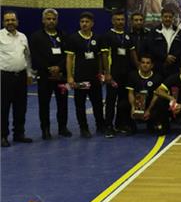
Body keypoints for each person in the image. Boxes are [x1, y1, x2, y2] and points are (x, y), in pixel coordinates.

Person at [30, 9, 70, 140]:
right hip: (44, 76)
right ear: (43, 20)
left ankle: (62, 127)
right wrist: (48, 68)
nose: (51, 21)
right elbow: (35, 56)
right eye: (48, 19)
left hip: (61, 76)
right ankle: (45, 130)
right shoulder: (36, 37)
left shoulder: (64, 35)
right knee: (44, 104)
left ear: (57, 20)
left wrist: (59, 67)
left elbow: (67, 55)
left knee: (63, 103)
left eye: (53, 19)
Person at [65, 11, 105, 138]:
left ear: (92, 23)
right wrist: (70, 76)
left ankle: (100, 125)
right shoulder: (73, 38)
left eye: (87, 22)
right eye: (82, 22)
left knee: (97, 103)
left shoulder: (97, 38)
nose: (84, 24)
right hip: (80, 78)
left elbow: (99, 58)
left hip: (94, 78)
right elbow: (69, 58)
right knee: (80, 104)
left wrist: (101, 73)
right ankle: (84, 128)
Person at [101, 10, 138, 136]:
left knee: (123, 101)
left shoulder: (128, 36)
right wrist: (107, 73)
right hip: (113, 74)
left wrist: (138, 68)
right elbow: (105, 55)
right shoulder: (107, 36)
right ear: (113, 21)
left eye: (122, 19)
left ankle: (120, 124)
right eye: (117, 19)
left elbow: (132, 54)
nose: (120, 22)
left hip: (126, 74)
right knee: (111, 101)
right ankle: (108, 126)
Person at [0, 11, 34, 147]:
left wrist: (29, 74)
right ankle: (3, 136)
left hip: (21, 76)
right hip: (4, 77)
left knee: (21, 107)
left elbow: (27, 57)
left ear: (17, 22)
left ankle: (19, 134)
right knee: (3, 107)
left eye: (12, 20)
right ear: (3, 22)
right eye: (7, 20)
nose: (10, 22)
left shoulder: (23, 37)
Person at [125, 54, 162, 133]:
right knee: (123, 105)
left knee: (160, 103)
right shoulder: (132, 75)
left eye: (148, 63)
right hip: (137, 101)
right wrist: (133, 107)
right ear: (140, 64)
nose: (145, 65)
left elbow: (156, 96)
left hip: (150, 103)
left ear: (152, 65)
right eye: (143, 62)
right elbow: (130, 93)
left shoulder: (157, 77)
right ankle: (131, 126)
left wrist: (148, 110)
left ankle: (152, 124)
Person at [146, 8, 181, 78]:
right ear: (161, 17)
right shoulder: (154, 31)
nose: (168, 19)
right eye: (165, 16)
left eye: (170, 17)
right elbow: (151, 47)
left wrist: (172, 57)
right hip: (158, 66)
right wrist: (165, 57)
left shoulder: (179, 32)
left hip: (175, 66)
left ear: (173, 18)